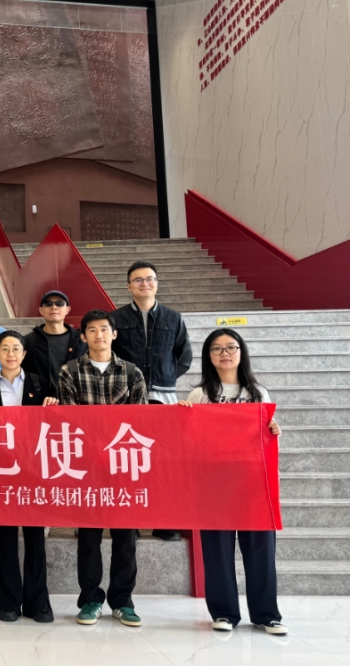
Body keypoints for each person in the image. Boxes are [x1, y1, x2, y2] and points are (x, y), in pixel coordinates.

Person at [179, 329, 286, 635]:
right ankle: (224, 613)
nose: (224, 353)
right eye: (216, 349)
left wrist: (274, 431)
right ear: (208, 356)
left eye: (230, 347)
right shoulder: (199, 395)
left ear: (241, 352)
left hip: (253, 482)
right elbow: (189, 441)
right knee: (217, 551)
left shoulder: (258, 392)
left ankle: (266, 615)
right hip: (213, 483)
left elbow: (266, 433)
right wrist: (182, 419)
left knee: (261, 549)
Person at [58, 309, 146, 628]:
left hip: (123, 466)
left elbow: (140, 421)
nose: (99, 335)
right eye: (92, 330)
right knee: (88, 537)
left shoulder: (132, 372)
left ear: (114, 334)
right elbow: (70, 421)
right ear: (83, 336)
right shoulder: (69, 372)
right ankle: (91, 599)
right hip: (87, 468)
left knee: (126, 538)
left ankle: (122, 601)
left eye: (104, 329)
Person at [0, 331, 58, 624]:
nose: (10, 354)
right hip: (2, 473)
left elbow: (55, 423)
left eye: (16, 349)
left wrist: (53, 405)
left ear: (24, 354)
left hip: (34, 470)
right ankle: (9, 602)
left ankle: (39, 603)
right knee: (7, 538)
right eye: (5, 349)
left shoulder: (40, 384)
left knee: (36, 538)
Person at [111, 261, 192, 542]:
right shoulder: (116, 318)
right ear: (128, 286)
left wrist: (165, 375)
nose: (144, 284)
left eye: (149, 279)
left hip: (163, 397)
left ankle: (163, 521)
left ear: (157, 283)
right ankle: (130, 523)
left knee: (162, 462)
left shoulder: (173, 318)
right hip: (126, 399)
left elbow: (184, 356)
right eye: (138, 280)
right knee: (128, 459)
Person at [21, 290, 88, 395]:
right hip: (42, 401)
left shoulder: (82, 340)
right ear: (41, 310)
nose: (54, 307)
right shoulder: (28, 341)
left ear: (68, 309)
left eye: (59, 303)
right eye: (48, 304)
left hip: (76, 400)